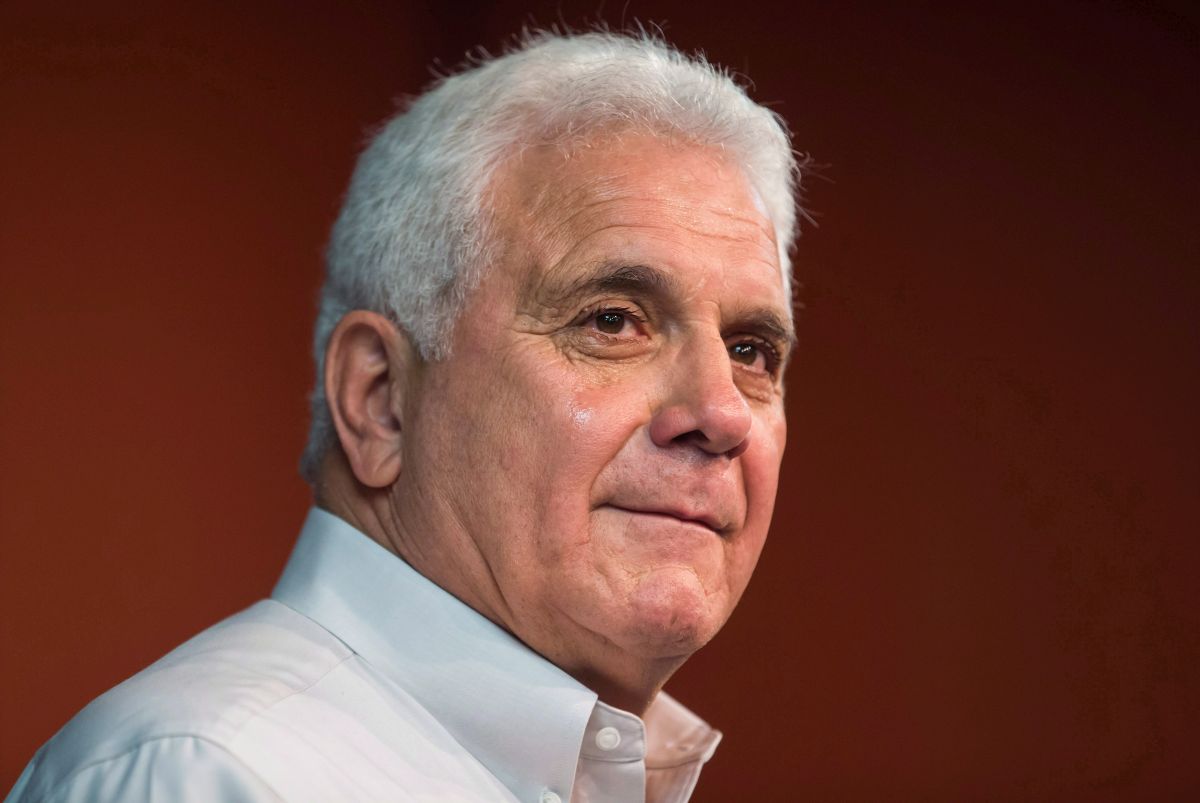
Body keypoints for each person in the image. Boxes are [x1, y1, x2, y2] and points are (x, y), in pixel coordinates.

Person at [7, 29, 804, 803]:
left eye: (751, 350)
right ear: (380, 400)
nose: (721, 412)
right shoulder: (208, 775)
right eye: (611, 320)